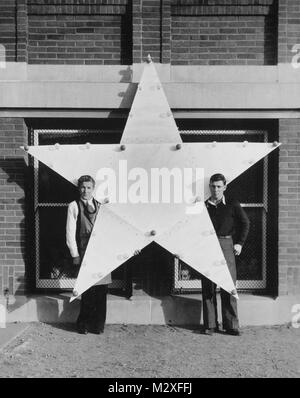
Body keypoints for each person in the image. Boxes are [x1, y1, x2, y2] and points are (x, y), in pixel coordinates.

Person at [202, 173, 250, 336]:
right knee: (208, 285)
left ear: (224, 187)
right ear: (209, 187)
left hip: (226, 244)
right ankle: (210, 324)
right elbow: (189, 224)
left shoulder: (232, 204)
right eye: (213, 186)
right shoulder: (202, 205)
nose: (215, 189)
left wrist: (239, 243)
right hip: (207, 246)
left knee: (228, 284)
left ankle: (231, 325)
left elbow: (245, 223)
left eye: (218, 186)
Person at [66, 175, 111, 335]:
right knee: (87, 289)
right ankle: (83, 324)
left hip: (101, 252)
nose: (85, 190)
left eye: (89, 187)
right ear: (79, 188)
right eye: (83, 187)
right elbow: (70, 233)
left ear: (94, 188)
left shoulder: (101, 205)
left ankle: (98, 326)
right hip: (84, 251)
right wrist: (75, 254)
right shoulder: (74, 206)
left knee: (101, 290)